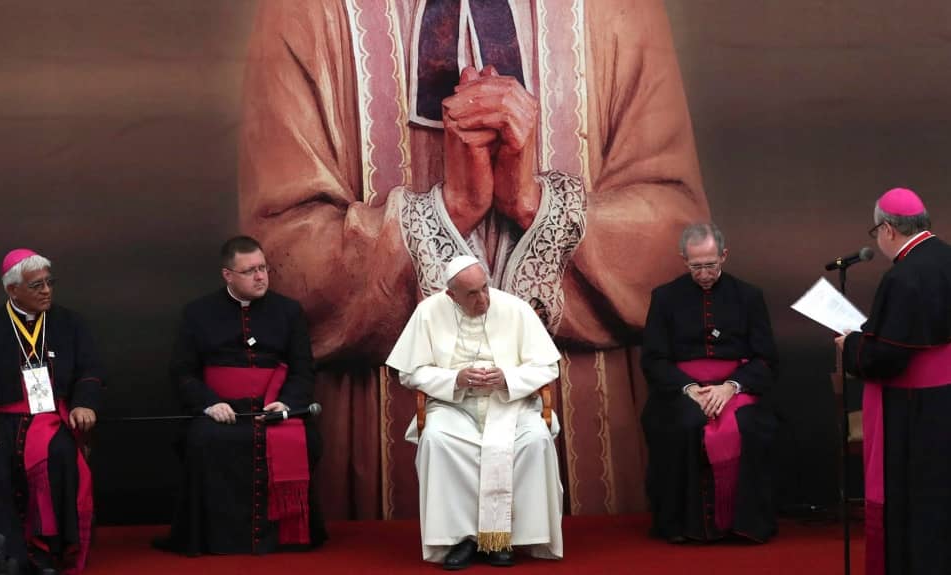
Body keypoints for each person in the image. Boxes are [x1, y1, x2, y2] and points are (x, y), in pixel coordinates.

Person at [240, 0, 708, 518]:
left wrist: (534, 206)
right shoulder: (306, 10)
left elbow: (676, 242)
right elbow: (278, 262)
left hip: (584, 408)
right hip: (381, 421)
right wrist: (448, 212)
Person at [385, 255, 563, 569]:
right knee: (437, 441)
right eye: (472, 294)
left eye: (485, 289)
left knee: (535, 439)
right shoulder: (428, 313)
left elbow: (548, 366)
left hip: (510, 405)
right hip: (454, 406)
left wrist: (508, 378)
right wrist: (455, 379)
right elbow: (408, 374)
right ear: (451, 295)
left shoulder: (515, 309)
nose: (483, 299)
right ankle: (461, 539)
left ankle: (505, 537)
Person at [158, 235, 326, 556]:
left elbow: (303, 368)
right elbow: (183, 372)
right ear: (228, 275)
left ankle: (285, 537)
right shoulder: (198, 313)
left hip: (274, 405)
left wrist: (287, 403)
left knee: (306, 438)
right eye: (250, 271)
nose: (260, 276)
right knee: (204, 439)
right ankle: (219, 540)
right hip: (221, 410)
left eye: (263, 268)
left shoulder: (288, 312)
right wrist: (209, 404)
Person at [0, 249, 103, 574]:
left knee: (58, 452)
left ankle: (49, 551)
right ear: (12, 289)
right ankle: (2, 553)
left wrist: (84, 402)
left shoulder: (70, 324)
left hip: (51, 418)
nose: (46, 291)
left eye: (49, 282)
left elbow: (90, 371)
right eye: (36, 285)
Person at [836, 188, 951, 575]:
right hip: (945, 399)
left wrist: (850, 345)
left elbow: (885, 358)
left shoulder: (903, 275)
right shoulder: (946, 256)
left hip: (912, 410)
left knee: (914, 500)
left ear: (887, 229)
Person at [641, 223, 779, 543]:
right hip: (683, 389)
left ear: (724, 255)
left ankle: (742, 524)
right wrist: (689, 389)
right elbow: (653, 359)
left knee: (745, 425)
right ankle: (684, 527)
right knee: (684, 423)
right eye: (696, 266)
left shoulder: (749, 296)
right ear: (683, 259)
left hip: (736, 388)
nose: (704, 273)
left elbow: (766, 358)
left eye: (710, 265)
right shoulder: (665, 298)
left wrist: (731, 386)